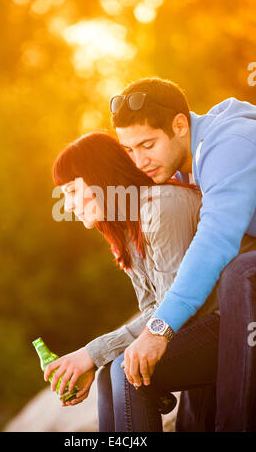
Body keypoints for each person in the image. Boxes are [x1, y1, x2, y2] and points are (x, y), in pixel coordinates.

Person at [46, 131, 222, 431]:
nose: (69, 205)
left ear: (99, 178)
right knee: (106, 374)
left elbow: (174, 312)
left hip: (226, 323)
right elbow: (152, 308)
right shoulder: (127, 229)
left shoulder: (163, 205)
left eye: (72, 191)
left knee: (125, 373)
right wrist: (95, 358)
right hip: (197, 328)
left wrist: (92, 352)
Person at [108, 77, 256, 431]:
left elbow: (215, 239)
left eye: (147, 144)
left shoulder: (228, 144)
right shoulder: (182, 166)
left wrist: (159, 329)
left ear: (179, 125)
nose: (139, 160)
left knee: (237, 273)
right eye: (129, 150)